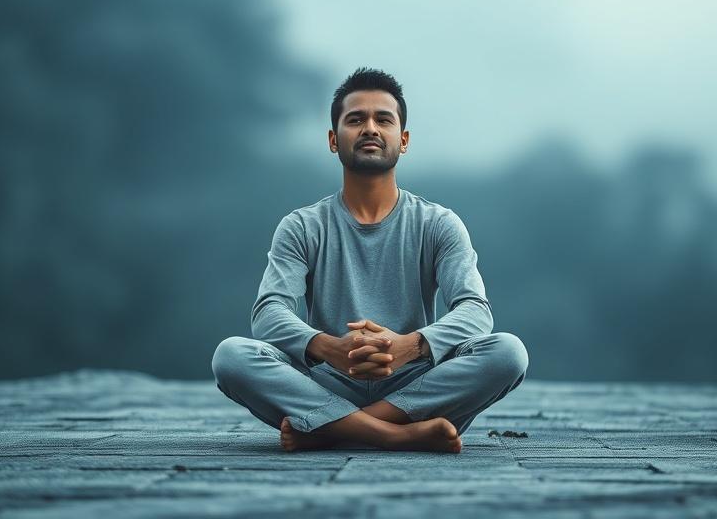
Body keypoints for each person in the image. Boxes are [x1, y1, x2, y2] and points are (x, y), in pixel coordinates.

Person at [211, 67, 528, 453]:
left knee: (508, 352)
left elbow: (475, 311)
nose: (370, 129)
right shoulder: (302, 226)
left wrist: (408, 347)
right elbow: (268, 311)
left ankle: (333, 428)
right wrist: (329, 349)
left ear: (403, 139)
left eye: (384, 119)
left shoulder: (438, 223)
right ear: (333, 139)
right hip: (325, 380)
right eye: (355, 119)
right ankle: (396, 434)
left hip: (413, 385)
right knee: (231, 356)